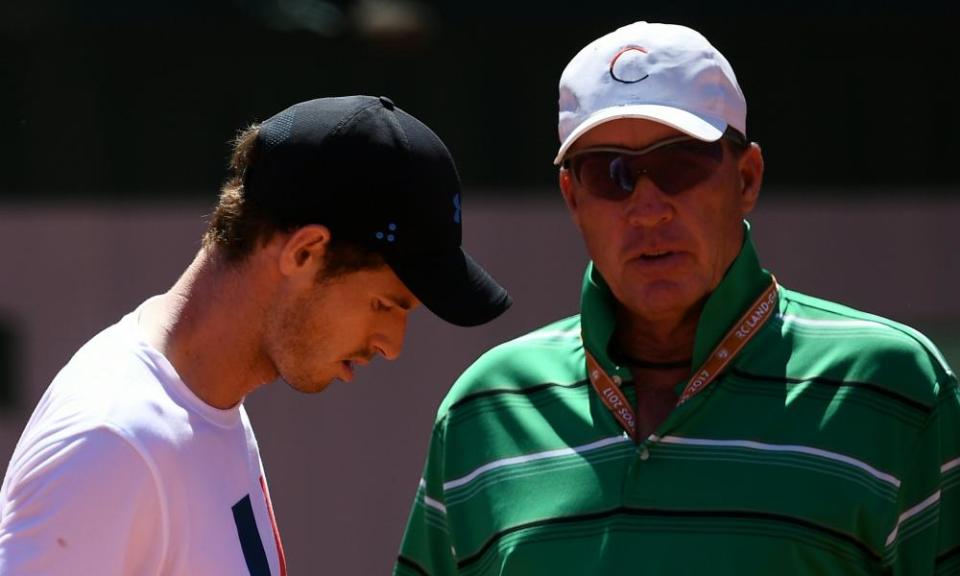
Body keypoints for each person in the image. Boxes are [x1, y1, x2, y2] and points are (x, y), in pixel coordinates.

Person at [394, 22, 959, 575]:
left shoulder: (895, 388)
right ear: (572, 197)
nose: (647, 208)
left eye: (679, 165)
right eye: (610, 173)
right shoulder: (484, 409)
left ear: (747, 178)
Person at [0, 95, 511, 575]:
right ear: (304, 252)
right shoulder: (111, 439)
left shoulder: (204, 404)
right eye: (385, 304)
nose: (391, 344)